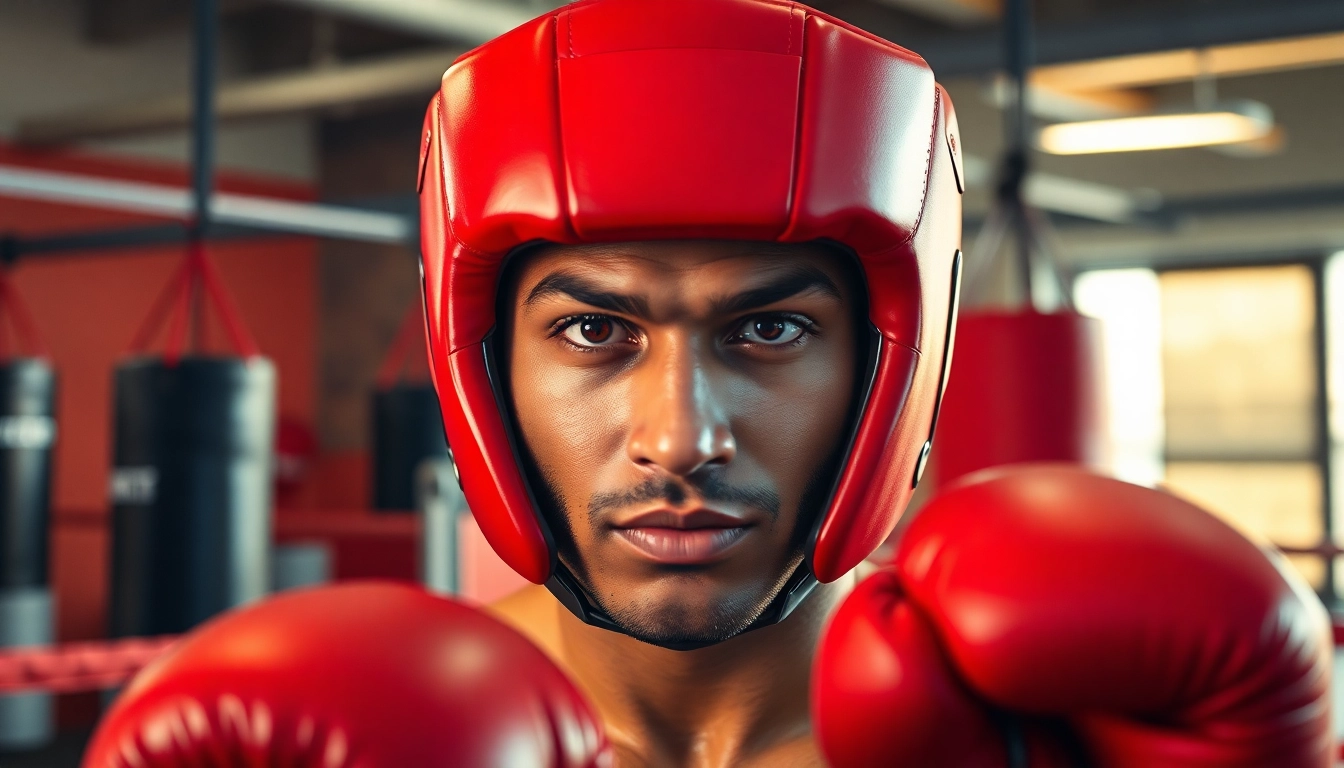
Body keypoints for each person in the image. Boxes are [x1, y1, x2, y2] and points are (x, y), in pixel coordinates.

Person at [82, 1, 1333, 766]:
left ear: (894, 371)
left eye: (772, 332)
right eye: (593, 334)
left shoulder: (1054, 739)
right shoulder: (362, 746)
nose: (679, 438)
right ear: (482, 367)